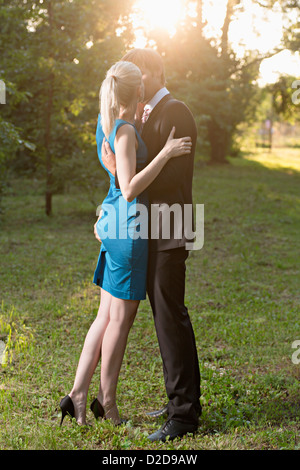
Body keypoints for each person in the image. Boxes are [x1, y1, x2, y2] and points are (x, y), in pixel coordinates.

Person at [59, 60, 192, 427]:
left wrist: (105, 211)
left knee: (105, 316)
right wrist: (164, 153)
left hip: (115, 223)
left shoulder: (107, 125)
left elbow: (117, 183)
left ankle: (77, 395)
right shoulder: (126, 132)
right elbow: (131, 188)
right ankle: (108, 404)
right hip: (129, 229)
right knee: (120, 319)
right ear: (138, 91)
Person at [102, 48, 201, 442]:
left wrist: (122, 175)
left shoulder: (176, 111)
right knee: (166, 320)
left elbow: (173, 179)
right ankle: (180, 402)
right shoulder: (143, 113)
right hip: (150, 228)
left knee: (170, 319)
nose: (137, 83)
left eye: (141, 74)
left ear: (157, 72)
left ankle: (183, 417)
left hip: (170, 227)